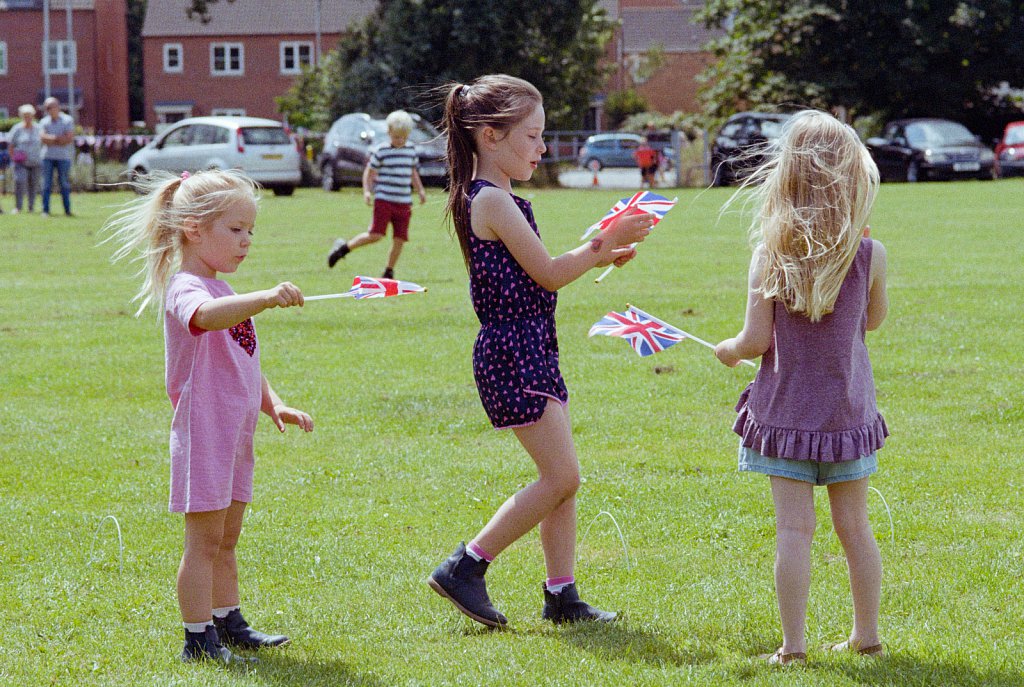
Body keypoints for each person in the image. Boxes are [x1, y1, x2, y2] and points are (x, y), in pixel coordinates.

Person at [427, 74, 653, 628]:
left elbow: (541, 275)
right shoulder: (492, 202)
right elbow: (550, 275)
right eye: (533, 136)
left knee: (562, 477)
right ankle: (466, 565)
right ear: (490, 136)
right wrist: (603, 242)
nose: (543, 148)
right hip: (513, 351)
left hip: (531, 347)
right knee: (562, 477)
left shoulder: (496, 198)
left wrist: (601, 254)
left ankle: (562, 595)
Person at [104, 169, 314, 664]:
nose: (246, 242)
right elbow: (204, 319)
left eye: (250, 232)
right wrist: (263, 298)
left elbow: (243, 360)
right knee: (203, 541)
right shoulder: (188, 287)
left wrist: (274, 402)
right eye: (235, 230)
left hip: (236, 433)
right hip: (205, 434)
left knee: (227, 538)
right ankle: (198, 639)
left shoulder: (222, 290)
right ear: (195, 229)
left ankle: (229, 620)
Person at [713, 110, 889, 665]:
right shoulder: (870, 255)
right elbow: (874, 321)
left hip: (786, 419)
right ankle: (867, 634)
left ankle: (793, 648)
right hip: (847, 419)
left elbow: (755, 339)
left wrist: (729, 350)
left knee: (794, 529)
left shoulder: (770, 254)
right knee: (855, 528)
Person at [326, 110, 427, 279]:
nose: (399, 141)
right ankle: (343, 248)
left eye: (403, 137)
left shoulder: (410, 151)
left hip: (403, 202)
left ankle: (389, 271)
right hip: (384, 200)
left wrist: (420, 190)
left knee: (400, 238)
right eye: (396, 137)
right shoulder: (381, 151)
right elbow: (369, 172)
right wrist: (367, 191)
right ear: (388, 133)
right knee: (376, 235)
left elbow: (412, 172)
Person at [39, 97, 75, 217]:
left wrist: (52, 139)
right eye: (46, 108)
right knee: (46, 184)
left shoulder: (67, 120)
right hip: (47, 157)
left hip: (63, 157)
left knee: (64, 184)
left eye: (50, 107)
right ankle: (45, 210)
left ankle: (67, 210)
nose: (48, 110)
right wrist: (58, 138)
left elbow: (68, 138)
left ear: (57, 107)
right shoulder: (44, 122)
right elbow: (43, 138)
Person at [9, 104, 43, 215]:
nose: (27, 117)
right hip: (20, 163)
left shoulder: (38, 128)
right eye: (25, 115)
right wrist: (13, 158)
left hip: (35, 162)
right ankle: (18, 207)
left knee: (33, 185)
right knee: (20, 181)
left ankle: (31, 207)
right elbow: (11, 145)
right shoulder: (17, 129)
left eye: (29, 115)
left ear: (33, 116)